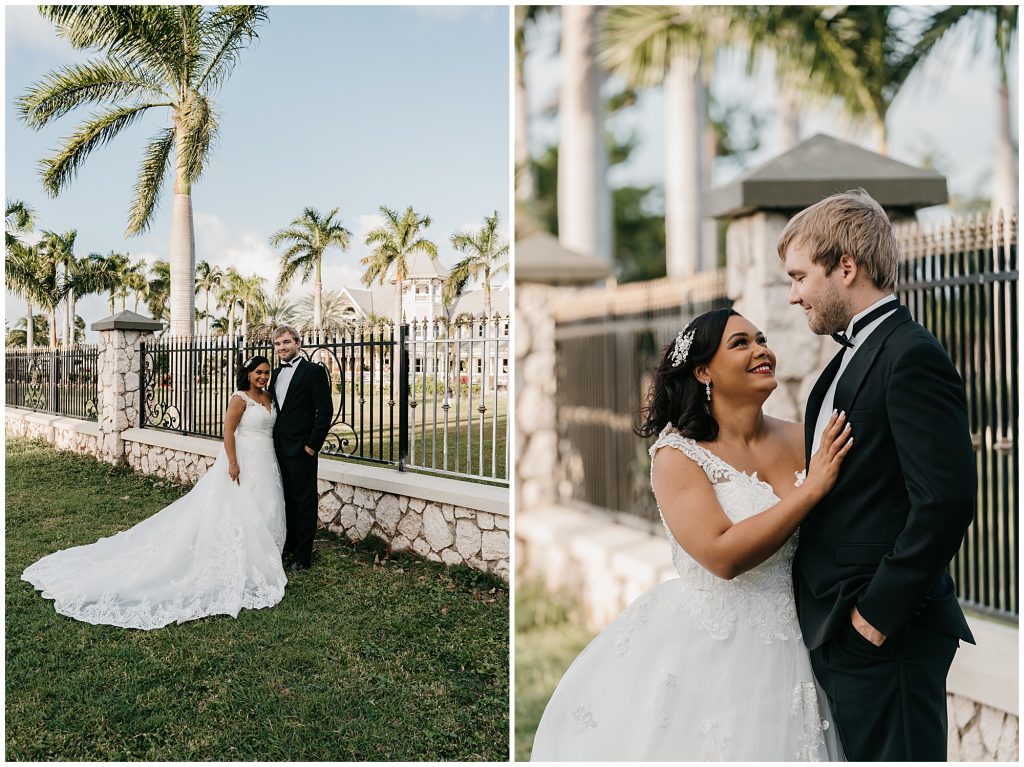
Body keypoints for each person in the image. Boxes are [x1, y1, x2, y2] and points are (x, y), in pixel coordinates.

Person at [531, 308, 852, 761]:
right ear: (703, 371)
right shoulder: (677, 456)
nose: (761, 349)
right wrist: (810, 490)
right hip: (711, 652)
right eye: (740, 343)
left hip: (799, 645)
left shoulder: (805, 440)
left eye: (761, 339)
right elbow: (721, 555)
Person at [780, 189, 976, 761]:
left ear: (846, 266)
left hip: (885, 638)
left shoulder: (910, 354)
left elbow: (945, 501)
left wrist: (874, 618)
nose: (792, 296)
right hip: (842, 635)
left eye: (798, 277)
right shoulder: (848, 357)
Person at [23, 356, 288, 630]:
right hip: (243, 460)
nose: (264, 377)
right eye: (259, 372)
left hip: (266, 462)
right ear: (248, 373)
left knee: (263, 505)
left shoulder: (269, 396)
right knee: (237, 508)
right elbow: (229, 433)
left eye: (267, 372)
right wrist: (232, 462)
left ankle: (263, 553)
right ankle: (242, 556)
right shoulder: (239, 398)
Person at [269, 326, 333, 571]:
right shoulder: (274, 374)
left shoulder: (313, 371)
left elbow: (324, 410)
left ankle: (303, 556)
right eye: (277, 344)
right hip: (278, 448)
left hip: (302, 449)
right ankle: (289, 546)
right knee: (285, 500)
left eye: (286, 342)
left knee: (304, 502)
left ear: (297, 343)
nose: (282, 347)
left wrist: (312, 445)